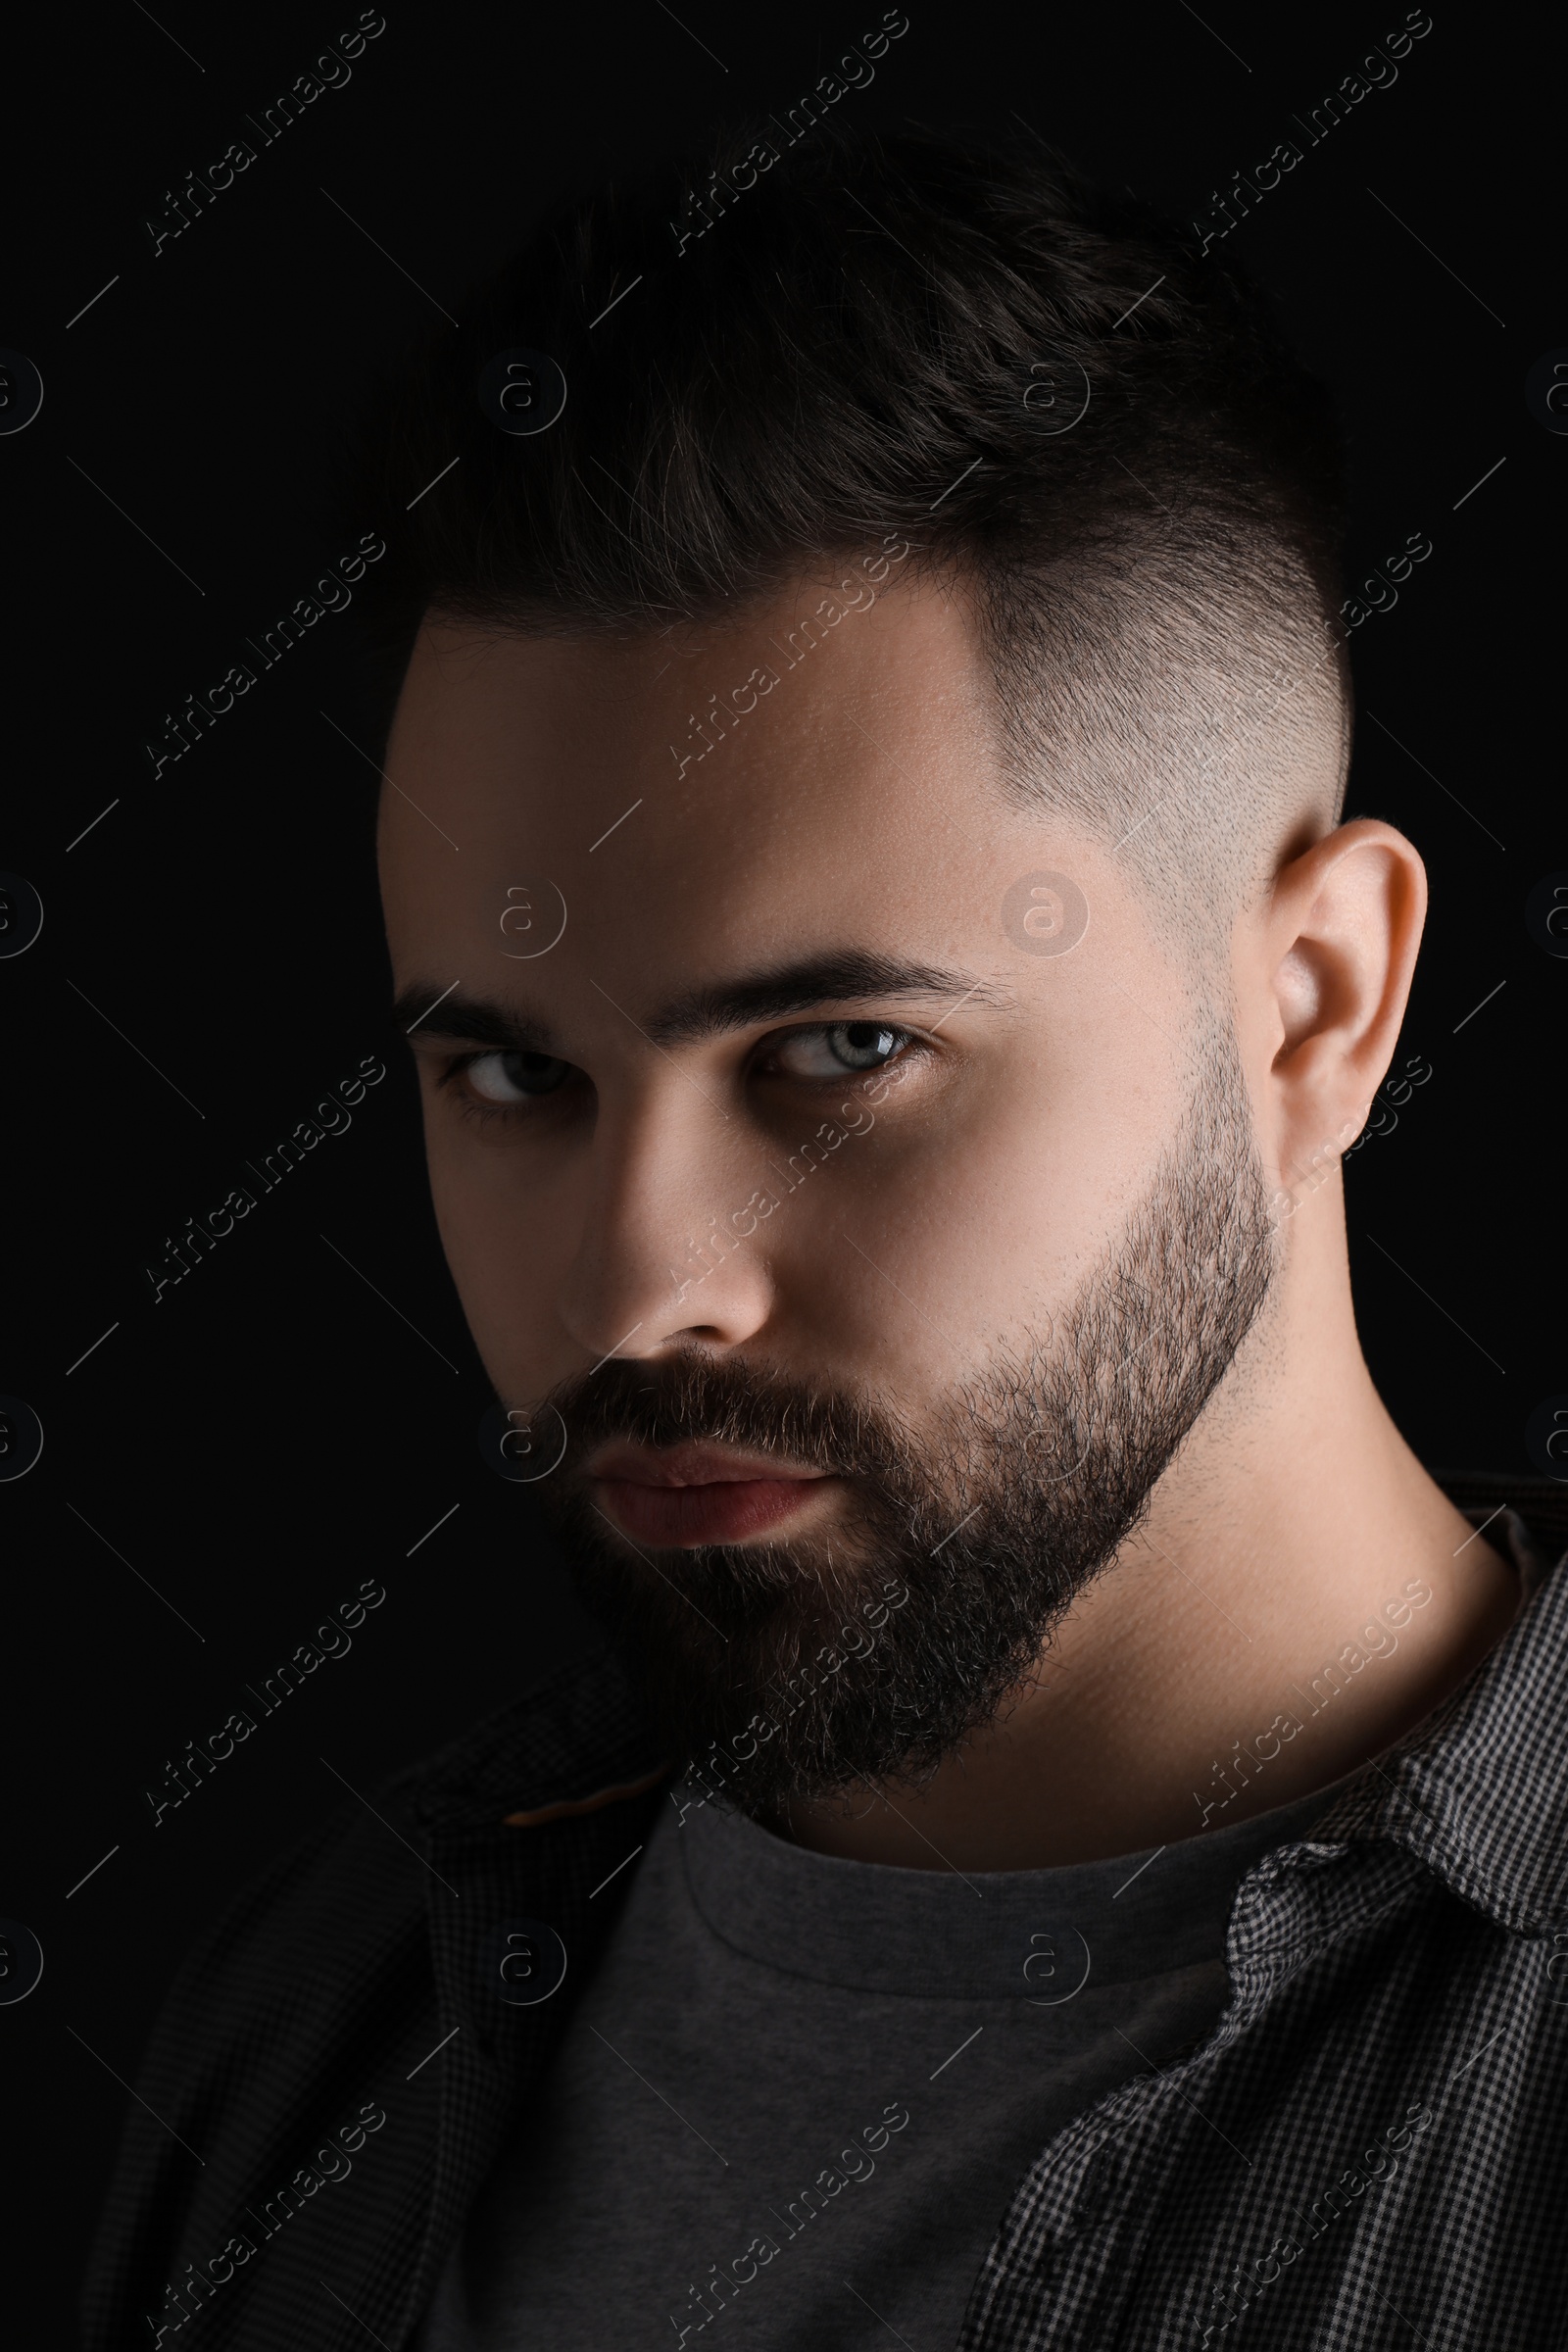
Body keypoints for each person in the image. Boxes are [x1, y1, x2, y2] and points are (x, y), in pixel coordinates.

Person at [84, 119, 1568, 2352]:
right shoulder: (315, 2020)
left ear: (1311, 1008)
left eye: (839, 1054)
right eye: (511, 1074)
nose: (631, 1285)